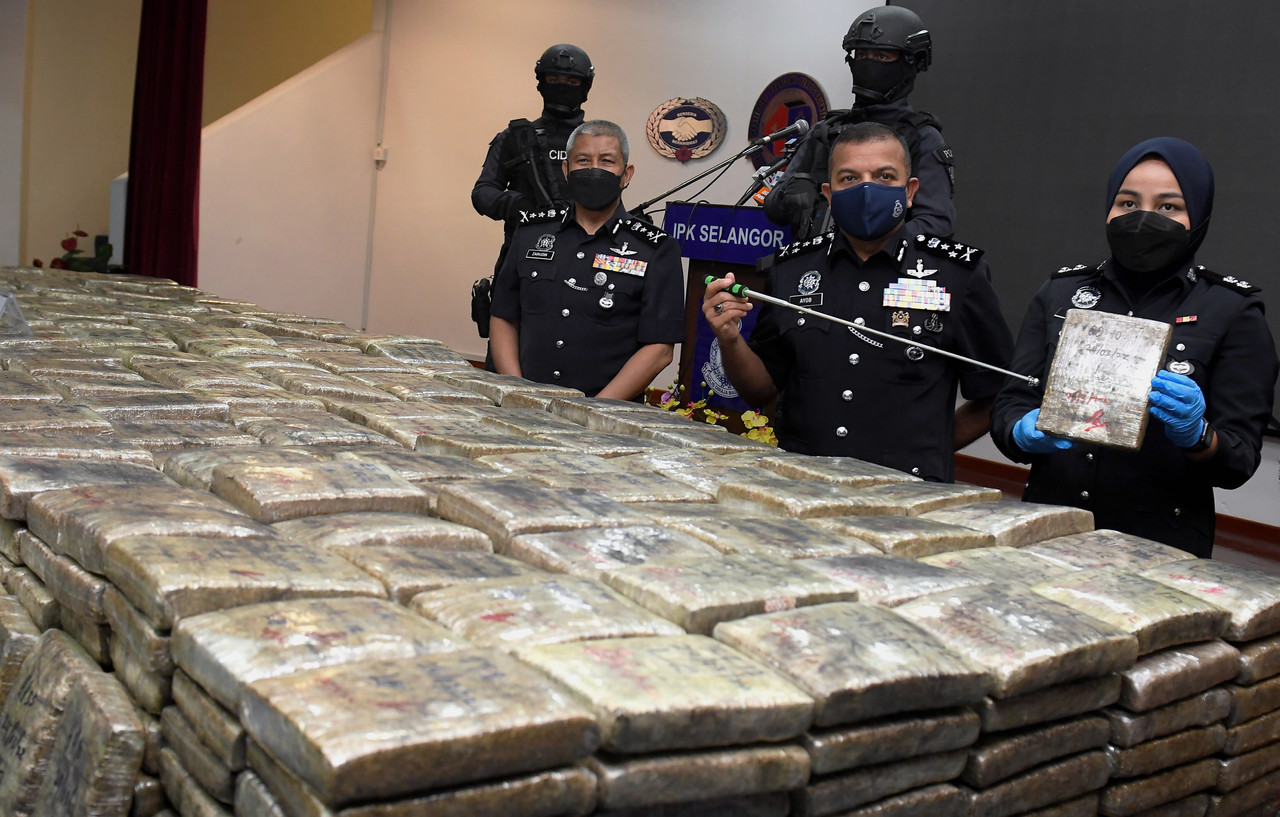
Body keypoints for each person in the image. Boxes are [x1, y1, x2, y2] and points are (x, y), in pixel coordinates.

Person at [990, 137, 1279, 558]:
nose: (1144, 218)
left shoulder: (1232, 310)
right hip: (1050, 528)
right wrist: (1021, 431)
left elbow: (1239, 461)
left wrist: (1199, 435)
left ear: (1198, 215)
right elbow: (1010, 405)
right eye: (1127, 203)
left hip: (1161, 542)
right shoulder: (1061, 293)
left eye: (1168, 207)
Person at [704, 122, 1013, 481]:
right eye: (849, 178)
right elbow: (760, 389)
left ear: (909, 191)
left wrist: (930, 451)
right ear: (830, 193)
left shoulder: (957, 274)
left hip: (908, 491)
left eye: (884, 176)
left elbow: (997, 393)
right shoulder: (792, 269)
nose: (867, 188)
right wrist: (729, 339)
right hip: (804, 482)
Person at [489, 120, 685, 399]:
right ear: (566, 170)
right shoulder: (531, 233)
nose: (594, 169)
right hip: (524, 407)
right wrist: (516, 392)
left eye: (606, 161)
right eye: (583, 160)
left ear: (626, 174)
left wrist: (594, 411)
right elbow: (503, 316)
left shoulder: (655, 249)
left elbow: (660, 349)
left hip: (605, 419)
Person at [763, 4, 954, 242]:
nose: (867, 63)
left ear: (910, 63)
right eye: (861, 55)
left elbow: (936, 224)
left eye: (881, 56)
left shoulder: (921, 137)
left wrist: (863, 247)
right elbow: (772, 207)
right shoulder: (825, 132)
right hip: (813, 268)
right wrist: (793, 194)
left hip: (882, 272)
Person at [470, 45, 594, 351]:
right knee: (506, 358)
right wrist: (515, 205)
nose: (562, 87)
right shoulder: (514, 138)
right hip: (522, 261)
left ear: (585, 87)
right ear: (540, 82)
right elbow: (483, 191)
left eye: (572, 81)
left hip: (582, 262)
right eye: (554, 79)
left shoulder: (596, 142)